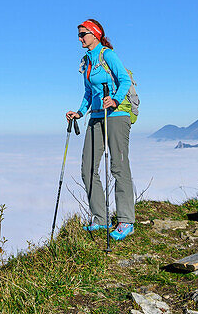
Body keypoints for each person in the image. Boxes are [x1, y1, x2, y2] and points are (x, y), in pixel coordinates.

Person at [65, 18, 135, 241]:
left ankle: (125, 221)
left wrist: (114, 99)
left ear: (95, 34)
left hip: (116, 114)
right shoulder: (87, 60)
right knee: (88, 168)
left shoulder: (107, 55)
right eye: (79, 34)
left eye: (82, 34)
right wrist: (79, 112)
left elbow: (124, 80)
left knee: (118, 166)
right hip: (95, 116)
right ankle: (100, 218)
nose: (79, 38)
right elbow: (88, 93)